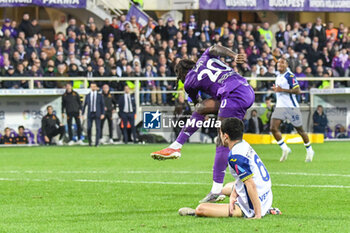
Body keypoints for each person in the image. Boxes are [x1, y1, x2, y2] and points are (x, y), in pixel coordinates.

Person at [151, 44, 254, 203]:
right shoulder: (205, 57)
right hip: (243, 88)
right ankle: (176, 146)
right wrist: (233, 55)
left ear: (182, 74)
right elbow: (215, 47)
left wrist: (201, 113)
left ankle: (216, 190)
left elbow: (195, 102)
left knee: (223, 139)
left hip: (233, 95)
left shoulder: (189, 82)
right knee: (203, 111)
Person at [178, 118, 279, 219]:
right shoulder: (244, 145)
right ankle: (265, 208)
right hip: (266, 194)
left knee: (201, 209)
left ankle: (260, 210)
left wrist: (257, 215)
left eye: (220, 133)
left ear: (225, 136)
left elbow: (250, 184)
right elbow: (241, 179)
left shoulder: (235, 156)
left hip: (254, 203)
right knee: (226, 188)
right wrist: (233, 196)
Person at [270, 58, 314, 162]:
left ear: (286, 65)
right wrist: (277, 90)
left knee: (300, 130)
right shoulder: (278, 76)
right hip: (280, 106)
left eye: (282, 62)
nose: (279, 64)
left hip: (291, 107)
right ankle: (285, 148)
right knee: (273, 128)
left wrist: (282, 90)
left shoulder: (289, 75)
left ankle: (309, 150)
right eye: (278, 62)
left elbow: (298, 91)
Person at [82, 82, 105, 147]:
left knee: (98, 128)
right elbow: (84, 105)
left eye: (94, 86)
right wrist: (83, 113)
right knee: (89, 128)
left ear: (96, 87)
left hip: (97, 113)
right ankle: (90, 142)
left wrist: (102, 113)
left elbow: (102, 105)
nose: (93, 88)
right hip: (90, 113)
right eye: (92, 86)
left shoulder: (99, 96)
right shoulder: (88, 96)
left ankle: (97, 143)